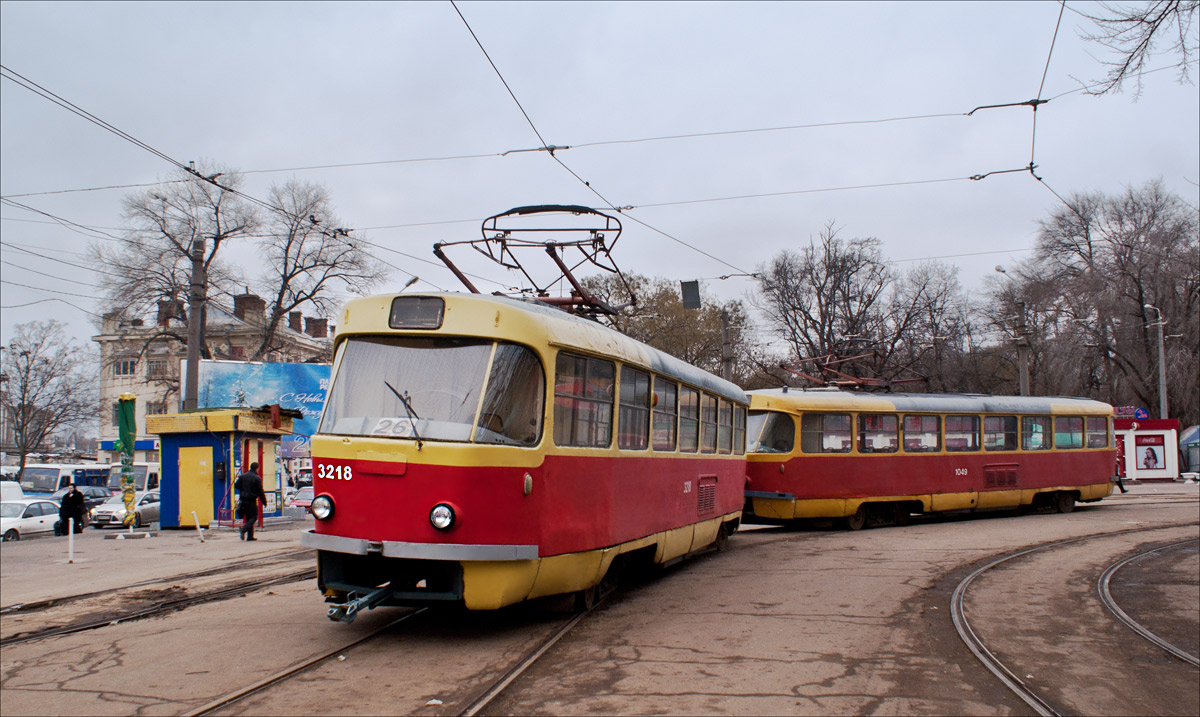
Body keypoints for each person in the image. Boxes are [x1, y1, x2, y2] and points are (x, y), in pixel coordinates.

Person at [234, 463, 266, 541]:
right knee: (254, 517)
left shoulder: (242, 476)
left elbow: (236, 485)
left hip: (243, 500)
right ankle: (243, 529)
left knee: (248, 518)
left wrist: (243, 487)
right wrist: (264, 501)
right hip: (251, 500)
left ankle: (250, 536)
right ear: (256, 468)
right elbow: (260, 491)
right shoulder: (257, 478)